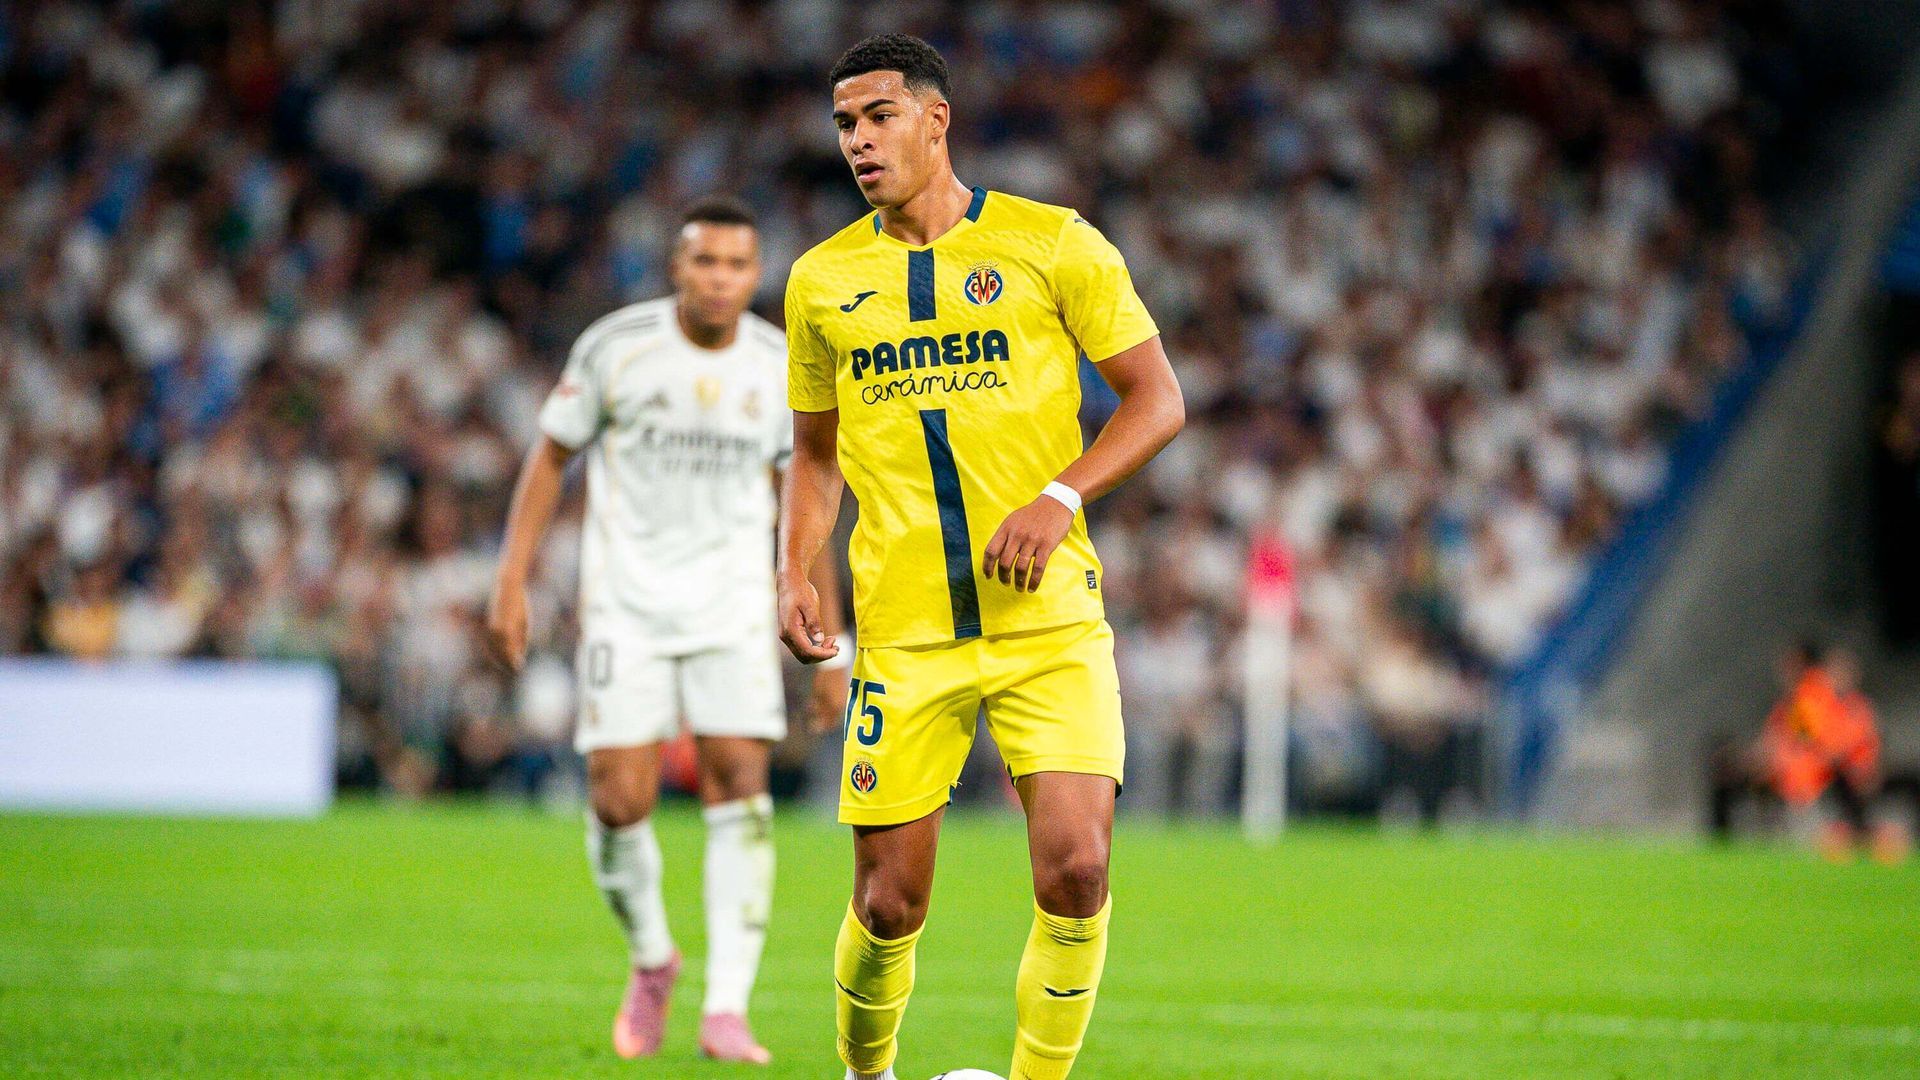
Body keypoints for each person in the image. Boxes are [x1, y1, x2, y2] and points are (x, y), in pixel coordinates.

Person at [775, 35, 1185, 1080]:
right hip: (907, 637)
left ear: (935, 119)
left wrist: (1061, 495)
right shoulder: (822, 283)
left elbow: (1158, 399)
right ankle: (869, 1076)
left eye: (877, 117)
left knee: (1079, 868)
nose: (858, 142)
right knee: (887, 903)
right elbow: (815, 458)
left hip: (1047, 623)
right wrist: (792, 570)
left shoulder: (1055, 244)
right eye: (844, 125)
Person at [486, 197, 847, 1064]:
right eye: (705, 262)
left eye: (736, 265)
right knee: (619, 797)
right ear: (677, 268)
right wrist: (511, 579)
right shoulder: (617, 348)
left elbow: (802, 500)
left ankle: (726, 1007)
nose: (720, 279)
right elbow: (550, 455)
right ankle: (654, 960)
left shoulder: (779, 366)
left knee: (740, 786)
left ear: (756, 276)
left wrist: (834, 641)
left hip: (730, 605)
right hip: (627, 604)